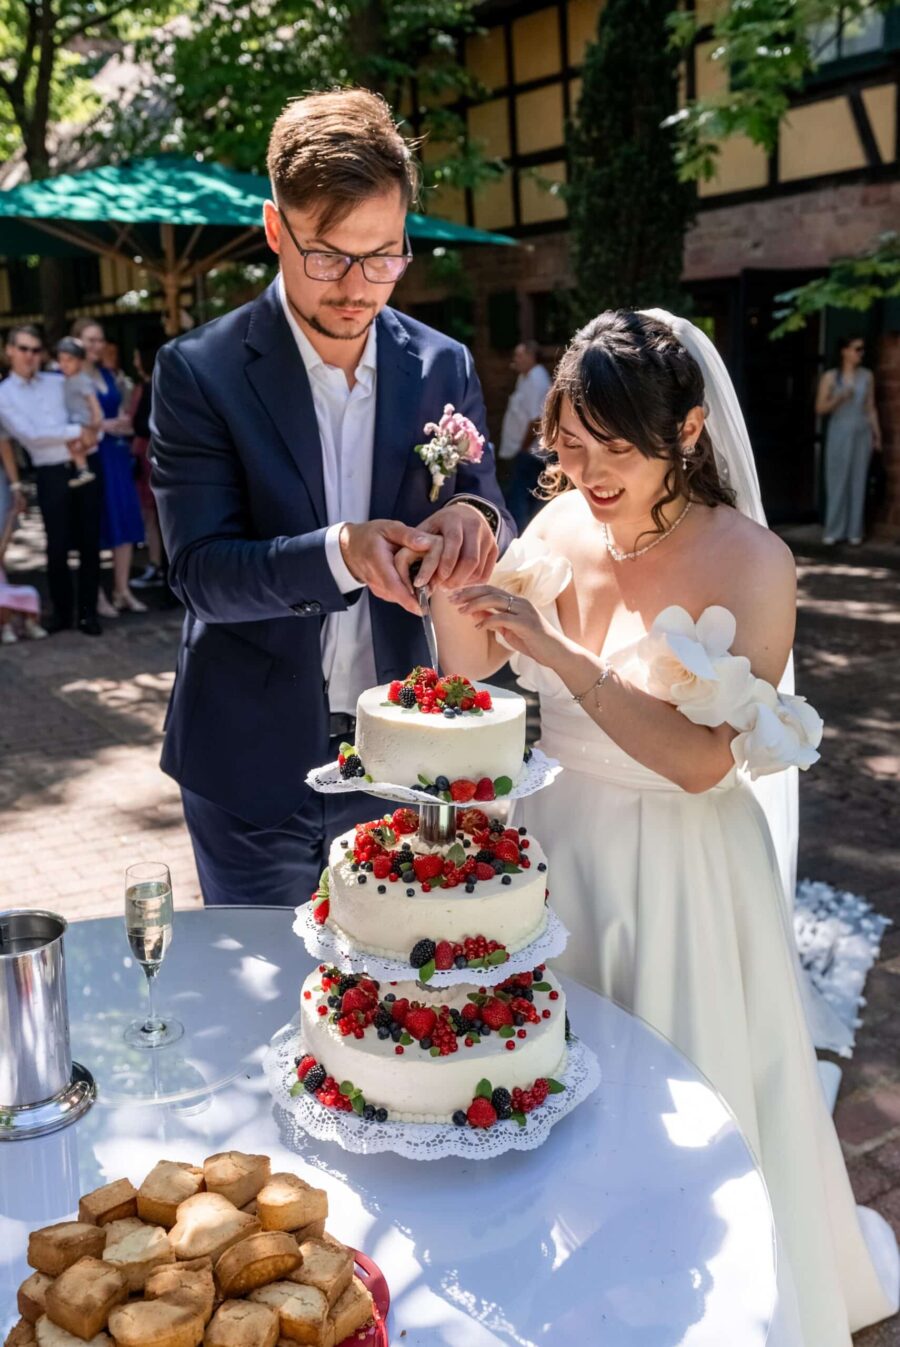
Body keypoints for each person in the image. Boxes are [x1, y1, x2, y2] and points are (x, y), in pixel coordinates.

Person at [430, 310, 899, 1346]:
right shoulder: (555, 529)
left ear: (689, 431)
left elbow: (701, 764)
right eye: (570, 441)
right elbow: (470, 669)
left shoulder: (755, 563)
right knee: (562, 1100)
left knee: (692, 1115)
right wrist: (451, 567)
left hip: (682, 874)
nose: (587, 471)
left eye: (616, 448)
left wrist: (570, 661)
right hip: (559, 855)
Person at [151, 88, 514, 908]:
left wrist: (475, 518)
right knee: (263, 1005)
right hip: (247, 762)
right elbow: (200, 572)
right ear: (276, 229)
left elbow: (491, 501)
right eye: (328, 256)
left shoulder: (442, 364)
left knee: (385, 992)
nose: (358, 286)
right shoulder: (198, 371)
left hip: (402, 753)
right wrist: (337, 553)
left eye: (383, 255)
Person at [0, 325, 102, 635]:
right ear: (9, 351)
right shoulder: (4, 394)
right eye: (23, 349)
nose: (30, 356)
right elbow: (31, 437)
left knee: (89, 543)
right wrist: (76, 434)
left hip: (85, 463)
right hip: (50, 473)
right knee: (57, 547)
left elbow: (89, 414)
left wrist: (86, 434)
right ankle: (62, 613)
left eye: (35, 349)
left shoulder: (59, 381)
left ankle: (88, 614)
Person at [71, 319, 146, 613]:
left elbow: (118, 411)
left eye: (99, 340)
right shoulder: (72, 378)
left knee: (124, 519)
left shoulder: (107, 373)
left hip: (116, 454)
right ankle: (98, 593)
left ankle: (122, 589)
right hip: (91, 454)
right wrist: (104, 425)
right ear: (76, 341)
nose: (95, 345)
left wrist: (125, 423)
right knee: (97, 524)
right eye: (89, 340)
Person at [816, 335, 882, 546]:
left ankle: (855, 530)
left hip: (861, 430)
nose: (860, 353)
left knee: (858, 478)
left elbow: (870, 407)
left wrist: (877, 434)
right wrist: (839, 397)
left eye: (862, 349)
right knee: (837, 478)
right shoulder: (831, 377)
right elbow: (820, 408)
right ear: (844, 351)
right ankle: (834, 529)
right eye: (857, 349)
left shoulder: (867, 376)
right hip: (840, 429)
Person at [498, 340, 552, 532]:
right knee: (524, 498)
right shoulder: (526, 377)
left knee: (519, 500)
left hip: (532, 451)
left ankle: (519, 538)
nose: (515, 360)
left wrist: (523, 447)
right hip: (525, 449)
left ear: (531, 356)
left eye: (519, 355)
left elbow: (537, 419)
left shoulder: (538, 379)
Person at [129, 337, 167, 589]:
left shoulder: (149, 388)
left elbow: (141, 425)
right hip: (152, 456)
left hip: (151, 457)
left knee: (157, 517)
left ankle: (162, 569)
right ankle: (158, 566)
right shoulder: (163, 384)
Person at [56, 337, 100, 488]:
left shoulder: (82, 380)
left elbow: (93, 402)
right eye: (61, 359)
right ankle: (81, 469)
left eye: (69, 359)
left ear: (80, 361)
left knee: (75, 446)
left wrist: (96, 419)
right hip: (72, 420)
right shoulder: (63, 380)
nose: (64, 364)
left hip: (81, 420)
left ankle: (83, 469)